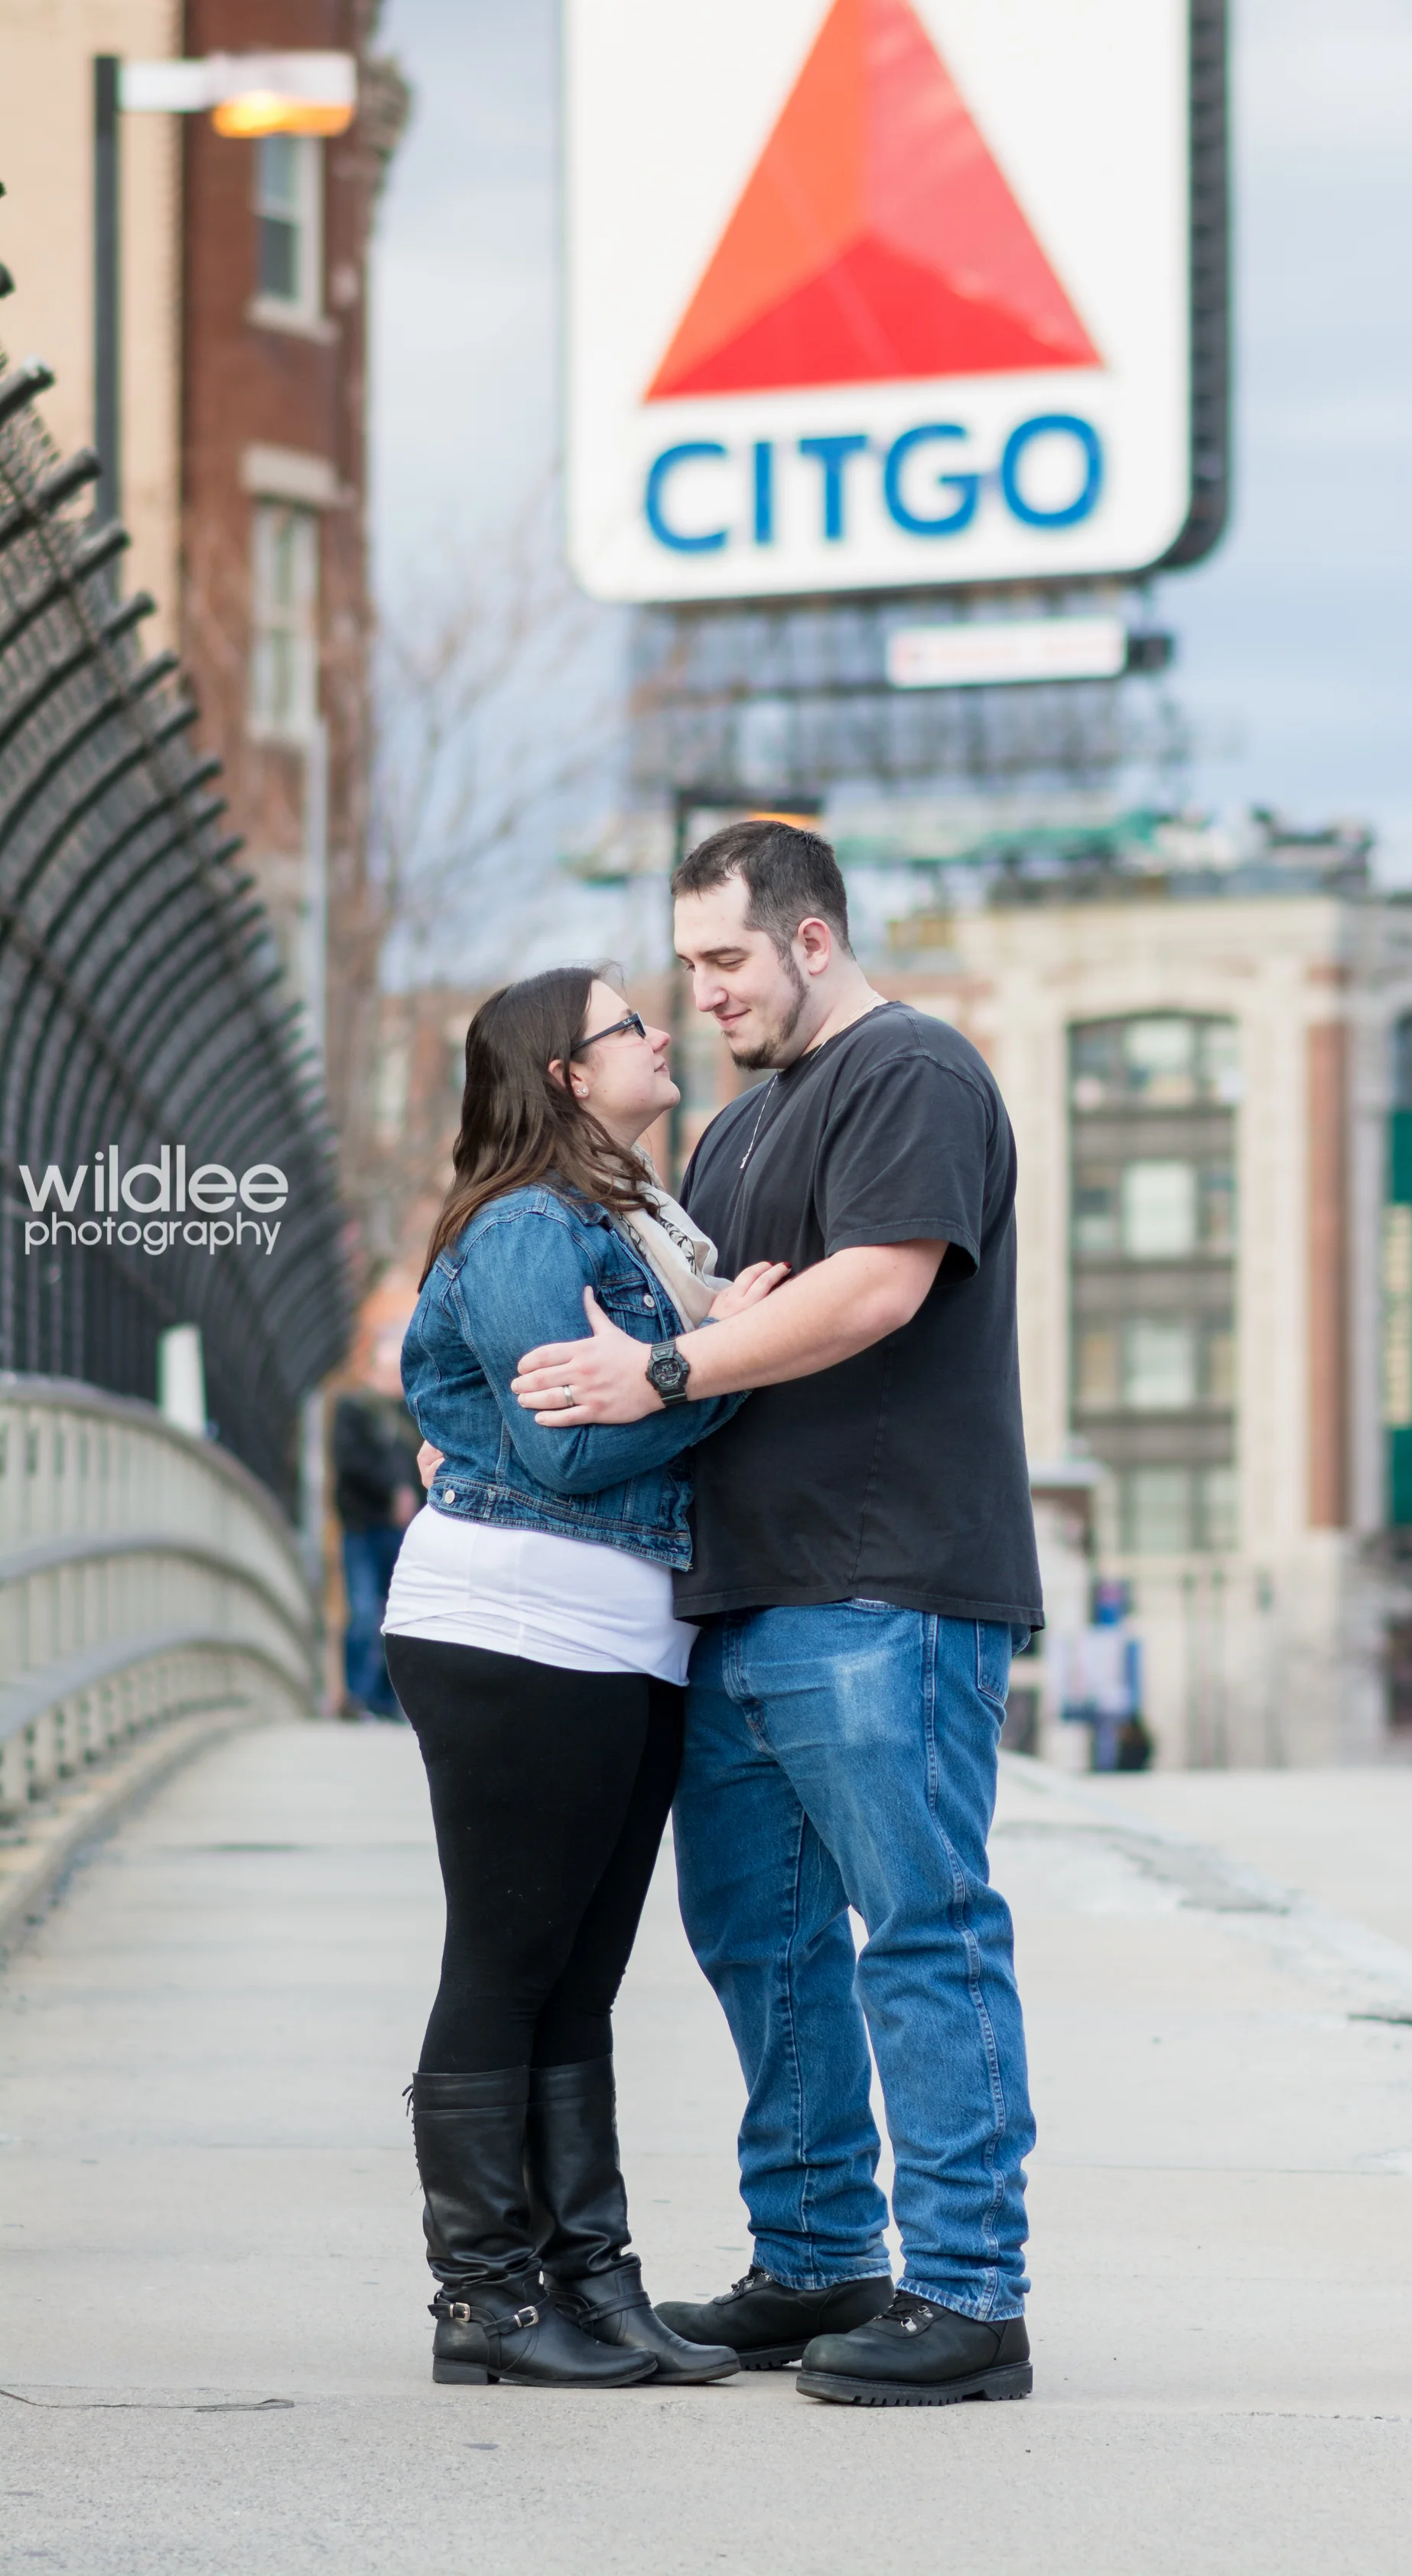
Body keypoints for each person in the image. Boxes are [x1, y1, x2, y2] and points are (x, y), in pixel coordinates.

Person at [512, 822, 1043, 2408]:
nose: (705, 994)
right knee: (761, 1937)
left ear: (813, 940)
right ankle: (817, 2256)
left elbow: (877, 1288)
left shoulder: (915, 1075)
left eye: (727, 960)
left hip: (888, 1583)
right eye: (686, 965)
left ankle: (971, 2296)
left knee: (924, 1928)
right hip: (743, 1598)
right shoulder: (742, 1131)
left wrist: (666, 1369)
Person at [382, 966, 788, 2389]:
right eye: (630, 1023)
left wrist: (701, 1341)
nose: (660, 1032)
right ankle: (482, 2300)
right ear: (564, 1072)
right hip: (515, 1624)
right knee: (505, 1965)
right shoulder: (522, 1230)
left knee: (579, 1979)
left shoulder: (628, 1222)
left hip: (622, 1632)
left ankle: (590, 2281)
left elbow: (619, 1405)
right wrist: (735, 1362)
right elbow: (563, 1446)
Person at [331, 1329, 420, 1719]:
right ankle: (357, 1696)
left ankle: (386, 1699)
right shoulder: (353, 1410)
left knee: (397, 1615)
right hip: (365, 1526)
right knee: (364, 1611)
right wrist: (392, 1494)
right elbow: (351, 1464)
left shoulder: (411, 1413)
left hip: (403, 1531)